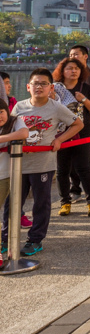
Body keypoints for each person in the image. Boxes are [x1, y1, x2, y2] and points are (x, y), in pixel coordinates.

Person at [5, 69, 83, 256]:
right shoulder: (19, 107)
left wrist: (59, 139)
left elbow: (78, 124)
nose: (39, 87)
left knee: (41, 203)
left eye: (43, 84)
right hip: (18, 164)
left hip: (43, 165)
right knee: (12, 203)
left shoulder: (56, 107)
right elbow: (10, 128)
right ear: (28, 87)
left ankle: (35, 239)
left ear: (51, 87)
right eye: (35, 83)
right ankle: (5, 239)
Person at [52, 58, 90, 217]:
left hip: (82, 133)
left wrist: (84, 100)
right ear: (62, 71)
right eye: (69, 68)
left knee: (84, 168)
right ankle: (65, 202)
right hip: (60, 134)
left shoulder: (85, 88)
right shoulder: (55, 89)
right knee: (62, 170)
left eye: (76, 69)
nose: (73, 71)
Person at [0, 100, 29, 268]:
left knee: (11, 212)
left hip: (6, 174)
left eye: (1, 112)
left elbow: (24, 133)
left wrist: (2, 138)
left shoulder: (15, 120)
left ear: (7, 111)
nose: (0, 117)